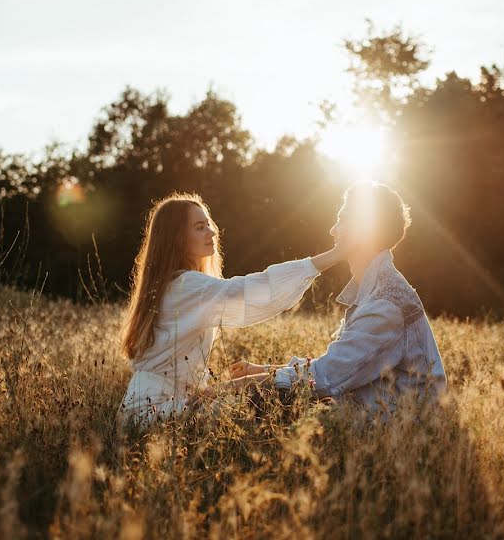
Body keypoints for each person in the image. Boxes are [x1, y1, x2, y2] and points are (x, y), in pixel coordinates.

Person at [116, 191, 344, 427]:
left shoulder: (174, 284)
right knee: (270, 398)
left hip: (153, 407)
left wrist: (217, 389)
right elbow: (251, 289)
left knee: (263, 394)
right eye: (200, 227)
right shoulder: (185, 285)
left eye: (208, 224)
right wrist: (335, 255)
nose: (212, 232)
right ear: (177, 238)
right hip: (154, 412)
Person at [229, 181, 448, 415]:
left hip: (403, 426)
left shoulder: (386, 303)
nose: (332, 230)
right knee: (271, 397)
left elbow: (328, 376)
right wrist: (263, 370)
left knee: (263, 401)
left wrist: (241, 385)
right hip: (377, 410)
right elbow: (339, 363)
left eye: (342, 220)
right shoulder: (375, 288)